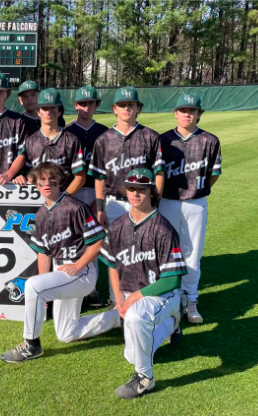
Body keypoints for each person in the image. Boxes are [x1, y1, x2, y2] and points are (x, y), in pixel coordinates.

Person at [0, 162, 108, 363]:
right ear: (37, 186)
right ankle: (117, 319)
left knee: (32, 285)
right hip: (61, 272)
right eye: (42, 181)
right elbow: (43, 253)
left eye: (52, 180)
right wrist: (43, 282)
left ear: (60, 182)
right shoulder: (41, 214)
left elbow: (98, 241)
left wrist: (78, 265)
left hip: (81, 271)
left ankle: (31, 345)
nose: (47, 184)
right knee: (66, 333)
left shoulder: (75, 207)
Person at [96, 168, 187, 398]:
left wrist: (133, 298)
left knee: (136, 318)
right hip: (130, 294)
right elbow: (113, 265)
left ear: (151, 193)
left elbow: (172, 279)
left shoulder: (164, 229)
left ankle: (145, 378)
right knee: (133, 352)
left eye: (142, 189)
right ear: (126, 191)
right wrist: (118, 299)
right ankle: (172, 325)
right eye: (132, 189)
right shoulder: (117, 227)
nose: (136, 194)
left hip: (163, 294)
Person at [88, 86, 165, 304]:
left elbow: (159, 172)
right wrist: (101, 207)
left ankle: (142, 299)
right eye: (122, 105)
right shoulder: (103, 140)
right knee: (117, 254)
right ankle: (116, 300)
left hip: (143, 202)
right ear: (114, 109)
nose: (126, 109)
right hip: (114, 203)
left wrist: (154, 201)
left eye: (130, 105)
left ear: (138, 108)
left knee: (144, 252)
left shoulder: (150, 136)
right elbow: (99, 177)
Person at [158, 93, 222, 323]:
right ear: (175, 114)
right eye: (183, 110)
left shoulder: (210, 140)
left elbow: (213, 174)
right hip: (167, 202)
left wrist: (199, 190)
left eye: (192, 111)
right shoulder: (163, 140)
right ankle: (166, 298)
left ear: (199, 115)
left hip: (195, 203)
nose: (187, 114)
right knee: (164, 253)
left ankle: (190, 299)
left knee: (192, 256)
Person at [64, 85, 109, 308]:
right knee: (72, 239)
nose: (86, 107)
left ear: (96, 105)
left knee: (93, 240)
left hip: (95, 190)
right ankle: (72, 287)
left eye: (90, 103)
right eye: (82, 103)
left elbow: (109, 168)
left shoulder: (104, 132)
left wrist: (100, 200)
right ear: (75, 105)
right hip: (71, 190)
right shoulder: (67, 131)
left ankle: (91, 290)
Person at [11, 88, 86, 193]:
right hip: (36, 200)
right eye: (44, 108)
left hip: (64, 199)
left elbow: (80, 177)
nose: (48, 112)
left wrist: (64, 198)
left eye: (52, 108)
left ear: (59, 111)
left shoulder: (71, 140)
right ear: (38, 112)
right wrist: (20, 177)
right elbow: (27, 173)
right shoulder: (30, 142)